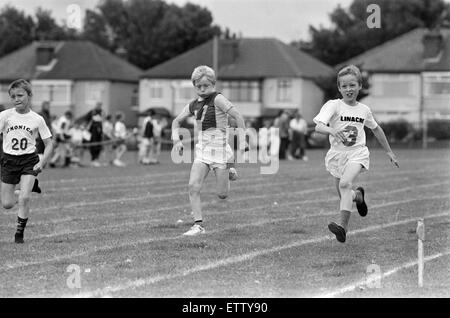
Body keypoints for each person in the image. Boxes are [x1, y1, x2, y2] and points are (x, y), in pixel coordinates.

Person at [313, 65, 399, 243]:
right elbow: (318, 126)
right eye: (344, 86)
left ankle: (342, 228)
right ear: (339, 88)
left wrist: (389, 151)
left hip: (357, 153)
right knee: (344, 193)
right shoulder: (333, 105)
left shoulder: (364, 110)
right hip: (337, 155)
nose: (348, 89)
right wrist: (331, 130)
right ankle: (358, 196)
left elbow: (376, 129)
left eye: (352, 85)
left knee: (345, 184)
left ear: (360, 86)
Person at [171, 65, 246, 236]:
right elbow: (176, 122)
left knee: (222, 195)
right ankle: (198, 225)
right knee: (193, 186)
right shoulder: (193, 105)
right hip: (202, 152)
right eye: (199, 86)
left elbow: (238, 116)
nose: (202, 89)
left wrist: (242, 140)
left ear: (213, 84)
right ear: (194, 86)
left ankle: (230, 171)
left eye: (206, 85)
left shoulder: (218, 99)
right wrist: (177, 141)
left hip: (220, 152)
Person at [0, 79, 53, 243]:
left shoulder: (37, 119)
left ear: (29, 96)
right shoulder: (5, 116)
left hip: (29, 160)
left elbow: (49, 143)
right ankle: (28, 188)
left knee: (24, 199)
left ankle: (19, 235)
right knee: (7, 204)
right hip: (9, 160)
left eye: (20, 95)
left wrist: (41, 162)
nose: (17, 99)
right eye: (13, 96)